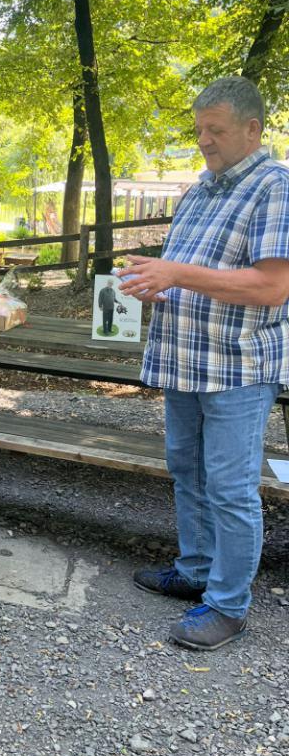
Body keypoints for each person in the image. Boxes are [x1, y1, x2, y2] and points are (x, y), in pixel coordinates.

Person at [122, 76, 289, 651]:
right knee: (187, 470)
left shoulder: (275, 186)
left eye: (214, 130)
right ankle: (195, 570)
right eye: (198, 130)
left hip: (237, 368)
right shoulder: (201, 189)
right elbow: (190, 273)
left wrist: (176, 273)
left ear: (252, 129)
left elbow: (272, 286)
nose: (203, 141)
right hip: (185, 362)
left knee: (231, 487)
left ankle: (228, 605)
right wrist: (155, 282)